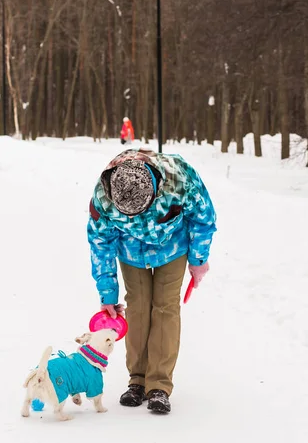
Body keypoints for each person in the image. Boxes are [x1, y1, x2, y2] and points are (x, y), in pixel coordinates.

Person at [87, 148, 217, 414]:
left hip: (173, 249)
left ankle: (159, 385)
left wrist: (198, 258)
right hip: (132, 254)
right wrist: (107, 294)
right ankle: (137, 380)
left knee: (165, 307)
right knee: (138, 306)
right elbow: (100, 241)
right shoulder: (103, 196)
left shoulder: (178, 180)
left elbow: (203, 218)